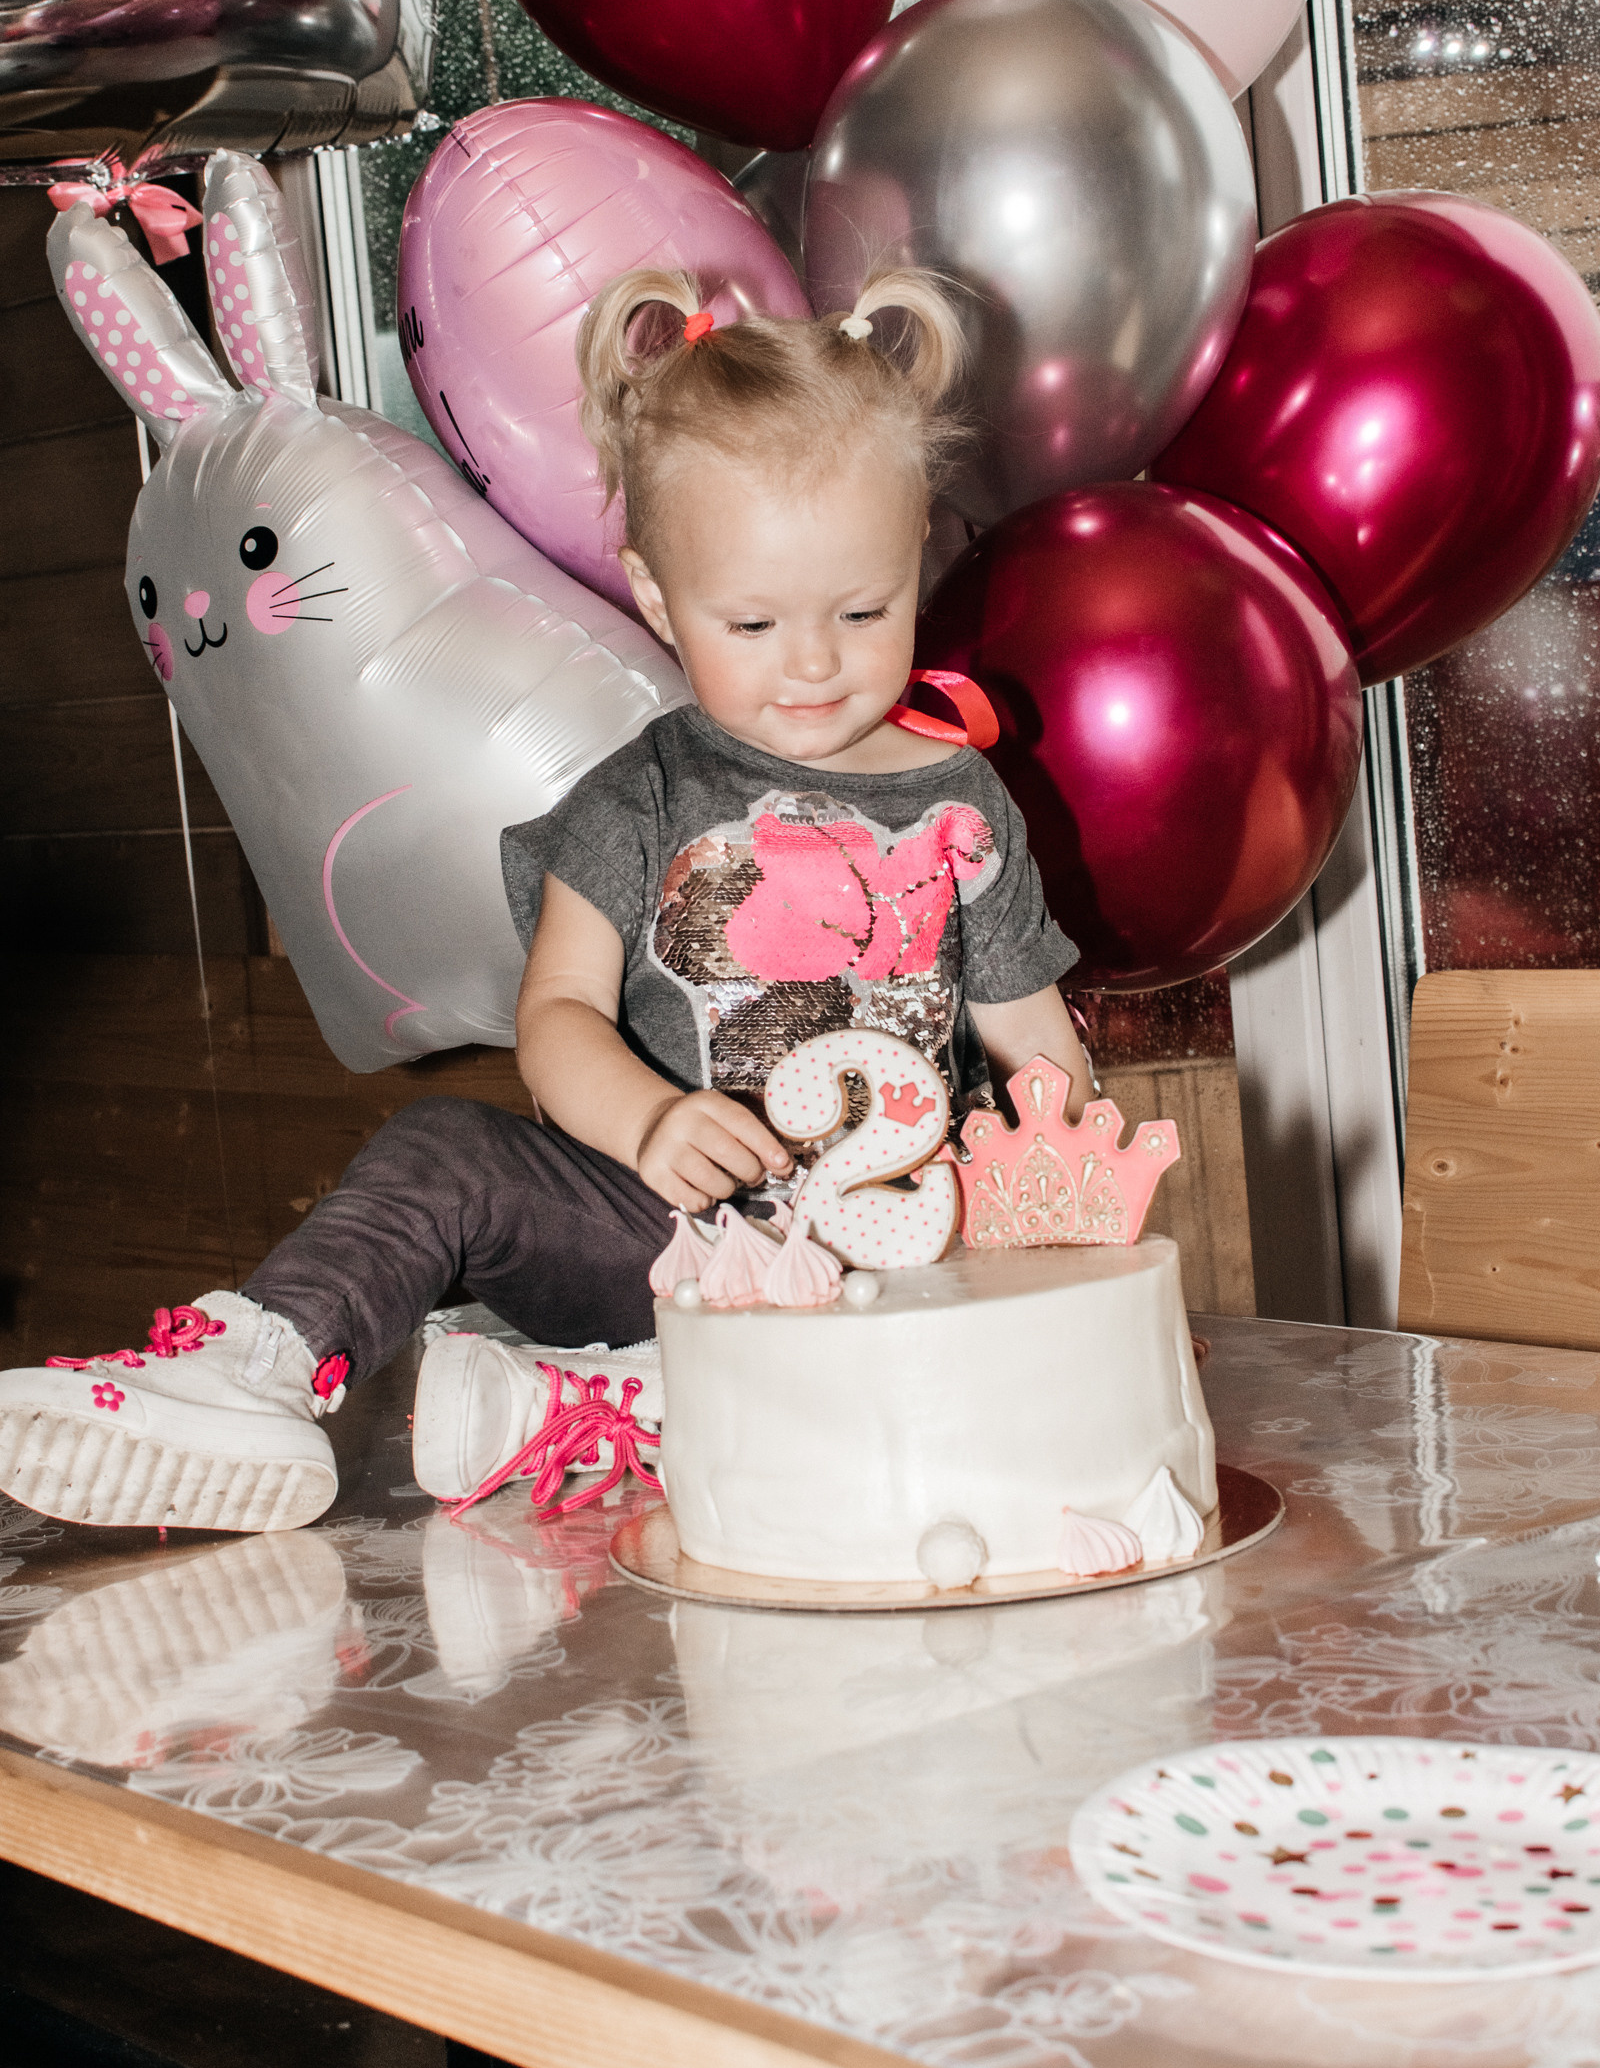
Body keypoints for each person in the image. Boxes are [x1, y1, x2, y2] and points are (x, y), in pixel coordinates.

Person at [0, 268, 1090, 1536]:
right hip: (658, 1223)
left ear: (919, 560)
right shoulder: (639, 793)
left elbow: (1036, 1042)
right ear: (652, 594)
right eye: (750, 622)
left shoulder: (965, 800)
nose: (812, 661)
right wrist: (648, 1124)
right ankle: (256, 1367)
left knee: (925, 1326)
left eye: (862, 610)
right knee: (436, 1153)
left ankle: (582, 1408)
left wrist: (1064, 1195)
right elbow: (559, 1012)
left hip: (892, 1252)